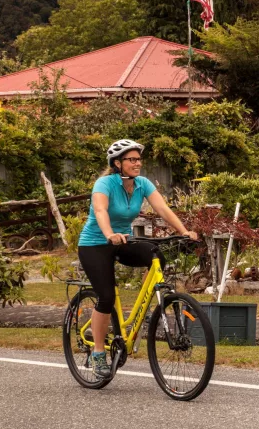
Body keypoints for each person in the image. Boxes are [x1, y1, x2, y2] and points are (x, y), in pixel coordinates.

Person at [77, 139, 198, 378]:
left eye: (139, 159)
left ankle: (143, 307)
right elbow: (100, 211)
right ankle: (99, 354)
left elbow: (163, 209)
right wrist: (109, 233)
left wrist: (183, 231)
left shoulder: (142, 184)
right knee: (107, 297)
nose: (137, 163)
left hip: (124, 241)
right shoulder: (105, 183)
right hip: (95, 243)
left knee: (155, 256)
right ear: (117, 163)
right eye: (132, 159)